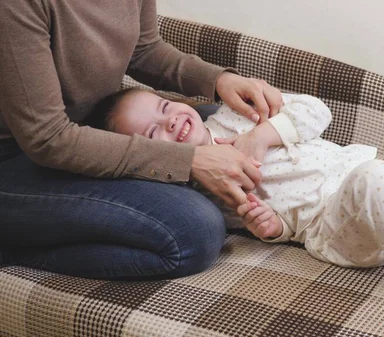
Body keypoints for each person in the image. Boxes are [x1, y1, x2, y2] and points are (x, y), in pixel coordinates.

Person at [102, 87, 384, 335]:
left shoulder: (234, 117)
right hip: (335, 230)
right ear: (146, 158)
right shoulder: (199, 187)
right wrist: (272, 227)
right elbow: (275, 225)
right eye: (152, 133)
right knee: (377, 176)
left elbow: (315, 111)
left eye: (165, 107)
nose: (171, 121)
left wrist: (262, 136)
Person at [0, 0, 284, 280]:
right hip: (17, 159)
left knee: (227, 123)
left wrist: (220, 81)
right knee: (195, 229)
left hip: (88, 131)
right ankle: (10, 249)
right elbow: (48, 138)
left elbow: (143, 49)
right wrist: (188, 161)